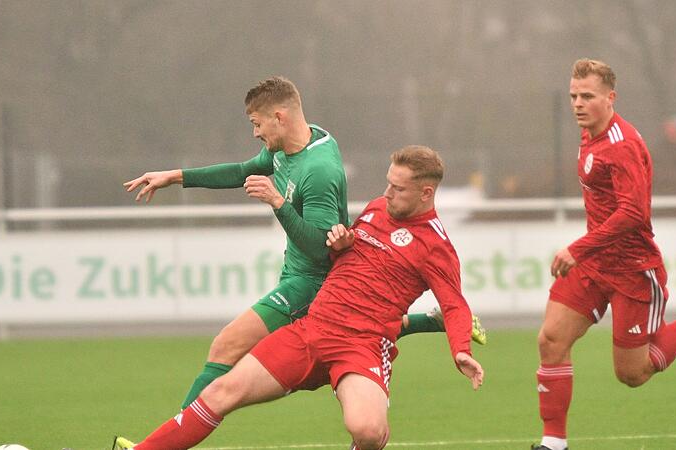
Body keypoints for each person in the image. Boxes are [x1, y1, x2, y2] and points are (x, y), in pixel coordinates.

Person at [123, 76, 487, 411]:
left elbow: (319, 249)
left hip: (312, 281)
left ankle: (169, 437)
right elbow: (241, 171)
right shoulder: (289, 147)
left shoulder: (320, 171)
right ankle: (427, 321)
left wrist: (278, 204)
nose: (254, 133)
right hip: (294, 273)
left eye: (256, 123)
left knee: (226, 345)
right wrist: (176, 176)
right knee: (240, 349)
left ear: (279, 117)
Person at [113, 145, 485, 450]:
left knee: (368, 432)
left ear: (426, 193)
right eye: (387, 184)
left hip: (362, 347)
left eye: (398, 189)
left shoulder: (437, 247)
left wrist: (460, 350)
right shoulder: (376, 209)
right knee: (221, 391)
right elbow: (349, 259)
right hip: (313, 330)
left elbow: (454, 303)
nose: (386, 193)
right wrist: (342, 244)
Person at [531, 59, 676, 450]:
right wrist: (587, 251)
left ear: (610, 98)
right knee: (551, 339)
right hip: (595, 264)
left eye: (587, 96)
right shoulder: (589, 134)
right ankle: (554, 444)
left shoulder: (623, 146)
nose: (578, 104)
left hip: (634, 272)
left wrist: (577, 247)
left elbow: (634, 213)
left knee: (633, 374)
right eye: (573, 96)